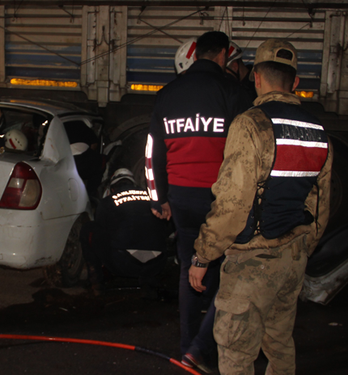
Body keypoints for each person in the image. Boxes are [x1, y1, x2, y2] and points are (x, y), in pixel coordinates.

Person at [189, 39, 333, 374]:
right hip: (292, 257)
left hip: (253, 263)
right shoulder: (318, 130)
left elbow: (233, 202)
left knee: (236, 350)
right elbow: (319, 202)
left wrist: (203, 255)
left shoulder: (251, 124)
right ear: (295, 82)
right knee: (280, 345)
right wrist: (304, 246)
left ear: (255, 78)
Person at [145, 31, 254, 360]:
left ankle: (186, 347)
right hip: (218, 201)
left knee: (188, 268)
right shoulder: (231, 92)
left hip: (180, 198)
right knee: (225, 272)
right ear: (222, 55)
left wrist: (158, 197)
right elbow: (243, 152)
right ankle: (200, 349)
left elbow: (153, 153)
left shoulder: (167, 93)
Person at [81, 168, 171, 297]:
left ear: (112, 188)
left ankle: (97, 284)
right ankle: (148, 281)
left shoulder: (108, 201)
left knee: (88, 229)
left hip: (122, 264)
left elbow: (101, 226)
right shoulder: (153, 198)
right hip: (157, 264)